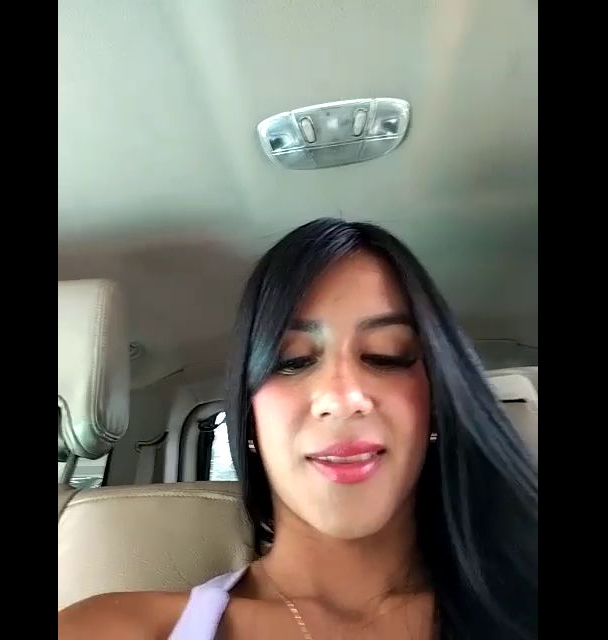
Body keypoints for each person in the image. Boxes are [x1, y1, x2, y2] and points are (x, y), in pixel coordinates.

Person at [58, 218, 538, 639]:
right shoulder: (110, 629)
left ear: (434, 405)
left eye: (386, 355)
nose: (342, 397)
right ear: (249, 418)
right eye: (291, 361)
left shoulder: (520, 604)